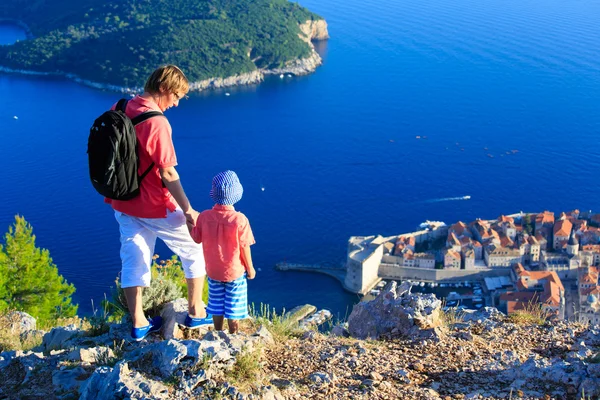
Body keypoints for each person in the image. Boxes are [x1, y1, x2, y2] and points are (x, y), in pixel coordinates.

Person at [106, 65, 210, 341]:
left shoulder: (121, 105)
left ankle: (139, 322)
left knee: (134, 258)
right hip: (154, 205)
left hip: (123, 201)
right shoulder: (157, 122)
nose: (176, 103)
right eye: (176, 96)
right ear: (164, 89)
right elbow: (168, 172)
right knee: (195, 248)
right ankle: (196, 310)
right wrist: (188, 210)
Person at [189, 170, 256, 334]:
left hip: (213, 271)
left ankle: (218, 332)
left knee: (216, 303)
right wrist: (250, 268)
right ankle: (233, 335)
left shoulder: (204, 217)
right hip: (235, 271)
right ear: (237, 194)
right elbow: (244, 246)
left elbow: (196, 238)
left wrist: (189, 222)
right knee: (234, 304)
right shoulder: (240, 219)